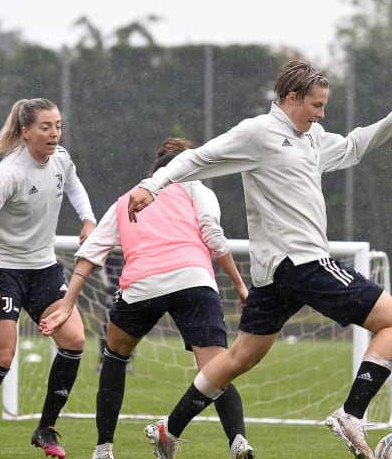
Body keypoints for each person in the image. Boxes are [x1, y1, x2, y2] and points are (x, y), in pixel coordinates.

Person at [127, 60, 392, 459]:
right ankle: (351, 414)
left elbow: (354, 146)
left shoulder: (313, 138)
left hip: (275, 275)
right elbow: (198, 158)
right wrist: (153, 184)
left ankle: (168, 430)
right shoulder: (258, 132)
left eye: (323, 106)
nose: (321, 114)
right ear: (290, 97)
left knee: (237, 358)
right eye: (315, 105)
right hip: (301, 263)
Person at [39, 137, 255, 459]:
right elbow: (212, 235)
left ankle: (104, 448)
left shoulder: (126, 199)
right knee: (216, 368)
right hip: (194, 280)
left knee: (115, 356)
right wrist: (239, 284)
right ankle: (239, 442)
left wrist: (68, 303)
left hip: (143, 286)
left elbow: (89, 253)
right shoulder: (195, 186)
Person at [0, 98, 96, 459]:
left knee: (75, 341)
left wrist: (88, 218)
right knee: (2, 357)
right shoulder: (10, 172)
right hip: (4, 271)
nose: (54, 133)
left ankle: (45, 428)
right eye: (45, 126)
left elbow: (74, 185)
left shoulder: (61, 157)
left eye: (58, 125)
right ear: (26, 131)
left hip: (44, 268)